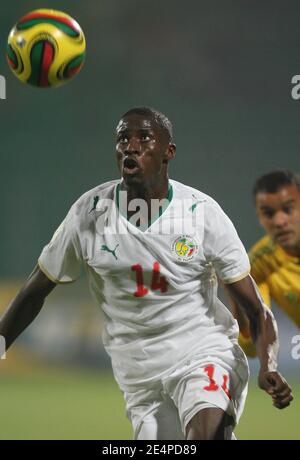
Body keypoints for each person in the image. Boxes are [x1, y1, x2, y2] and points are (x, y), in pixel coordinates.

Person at [0, 108, 293, 440]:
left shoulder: (201, 214)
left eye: (144, 138)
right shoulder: (89, 213)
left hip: (203, 354)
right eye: (123, 138)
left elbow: (256, 311)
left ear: (169, 152)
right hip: (140, 377)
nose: (131, 146)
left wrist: (269, 365)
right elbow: (36, 290)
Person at [230, 170, 300, 357]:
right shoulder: (259, 265)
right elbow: (251, 347)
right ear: (259, 217)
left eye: (288, 209)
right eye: (268, 213)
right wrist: (234, 287)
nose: (279, 221)